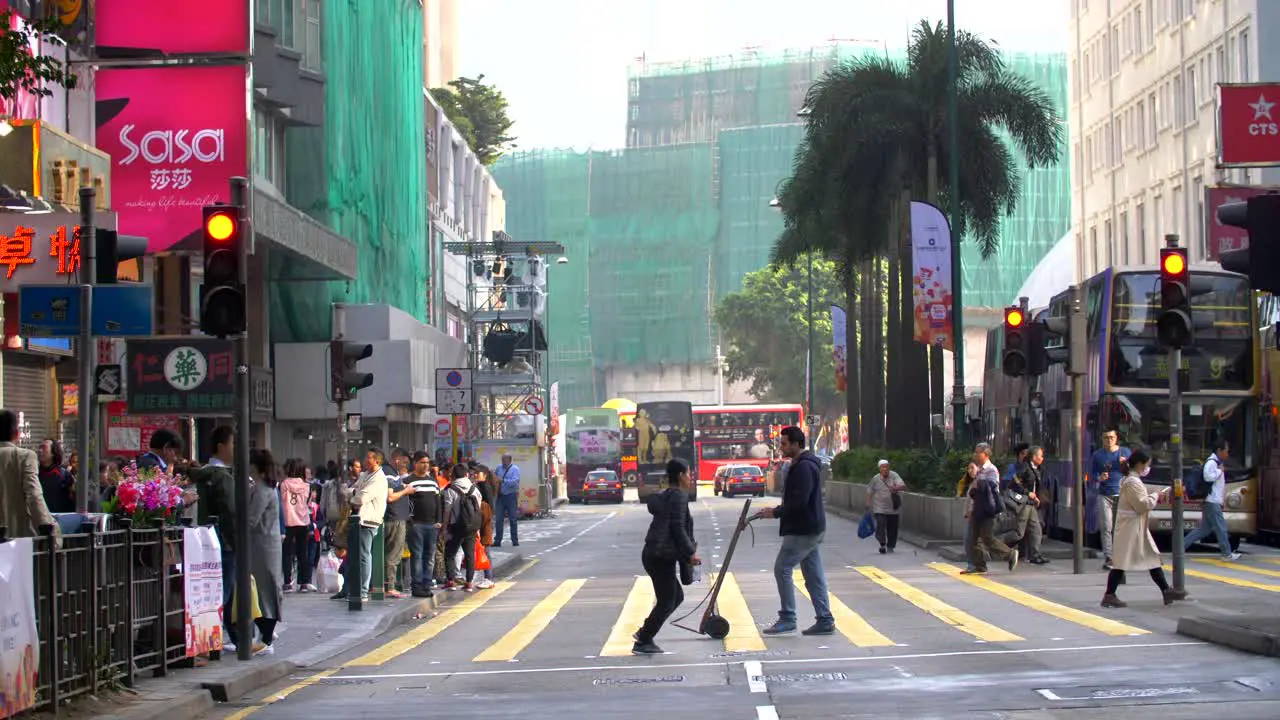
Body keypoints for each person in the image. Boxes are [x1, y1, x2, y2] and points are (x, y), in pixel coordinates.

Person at [753, 426, 834, 636]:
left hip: (803, 529)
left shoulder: (804, 468)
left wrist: (776, 512)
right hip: (810, 527)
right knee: (813, 575)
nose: (781, 448)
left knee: (782, 568)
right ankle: (825, 618)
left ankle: (788, 617)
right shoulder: (800, 465)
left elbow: (799, 502)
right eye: (781, 444)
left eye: (784, 444)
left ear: (797, 445)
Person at [1102, 449, 1187, 607]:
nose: (1148, 468)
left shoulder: (1132, 480)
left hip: (1135, 527)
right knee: (1121, 562)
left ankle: (1166, 590)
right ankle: (1109, 594)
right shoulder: (1132, 482)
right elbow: (1142, 505)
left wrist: (1153, 496)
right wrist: (1156, 496)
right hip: (1130, 528)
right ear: (1140, 464)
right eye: (1147, 464)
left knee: (1151, 558)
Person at [633, 458, 700, 655]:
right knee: (668, 599)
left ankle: (644, 633)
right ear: (680, 476)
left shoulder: (669, 495)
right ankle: (644, 640)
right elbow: (678, 528)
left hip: (658, 555)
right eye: (688, 473)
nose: (690, 477)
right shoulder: (678, 496)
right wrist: (690, 552)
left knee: (675, 596)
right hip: (659, 556)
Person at [231, 448, 285, 656]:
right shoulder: (263, 488)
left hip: (262, 547)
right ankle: (263, 637)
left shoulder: (263, 490)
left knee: (264, 592)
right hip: (263, 546)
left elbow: (252, 519)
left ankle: (266, 638)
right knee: (264, 591)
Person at [0, 409, 58, 544]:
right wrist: (50, 532)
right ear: (16, 434)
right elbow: (34, 496)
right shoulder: (24, 456)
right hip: (17, 540)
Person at [962, 443, 1019, 575]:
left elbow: (993, 487)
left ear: (986, 454)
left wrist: (978, 480)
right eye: (975, 452)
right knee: (973, 538)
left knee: (987, 538)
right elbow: (974, 490)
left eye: (978, 452)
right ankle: (980, 565)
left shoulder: (991, 470)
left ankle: (1009, 554)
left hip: (988, 509)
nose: (975, 455)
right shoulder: (979, 469)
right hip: (978, 508)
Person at [1181, 440, 1241, 561]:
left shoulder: (1215, 462)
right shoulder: (1212, 462)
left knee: (1203, 530)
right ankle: (1226, 553)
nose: (1227, 454)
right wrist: (1220, 471)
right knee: (1221, 527)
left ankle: (1180, 547)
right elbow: (1207, 476)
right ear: (1219, 451)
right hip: (1211, 501)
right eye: (1226, 451)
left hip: (1211, 501)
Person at [1089, 428, 1130, 569]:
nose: (1109, 440)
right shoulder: (1097, 455)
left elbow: (1133, 471)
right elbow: (1091, 474)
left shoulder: (1124, 452)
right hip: (1104, 494)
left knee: (1119, 527)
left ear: (1116, 438)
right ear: (1102, 439)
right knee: (1106, 526)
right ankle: (1109, 557)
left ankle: (1120, 555)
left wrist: (1126, 464)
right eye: (1106, 437)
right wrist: (1099, 478)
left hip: (1121, 493)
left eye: (1112, 437)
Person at [405, 451, 442, 598]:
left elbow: (438, 502)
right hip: (417, 525)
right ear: (415, 463)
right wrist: (411, 522)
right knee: (418, 556)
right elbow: (405, 503)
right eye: (422, 462)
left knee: (430, 557)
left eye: (427, 462)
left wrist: (439, 521)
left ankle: (427, 584)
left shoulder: (433, 481)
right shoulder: (408, 480)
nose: (426, 465)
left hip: (432, 525)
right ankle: (417, 586)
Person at [442, 464, 483, 591]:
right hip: (472, 526)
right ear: (466, 474)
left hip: (456, 527)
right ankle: (469, 582)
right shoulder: (475, 489)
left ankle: (451, 581)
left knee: (450, 554)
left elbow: (447, 511)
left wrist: (444, 528)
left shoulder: (451, 489)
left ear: (453, 475)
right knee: (469, 553)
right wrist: (477, 529)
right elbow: (478, 508)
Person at [279, 459, 314, 593]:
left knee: (287, 553)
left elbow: (281, 501)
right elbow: (308, 504)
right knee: (302, 553)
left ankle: (287, 582)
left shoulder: (283, 484)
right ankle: (303, 582)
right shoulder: (307, 486)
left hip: (287, 522)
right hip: (303, 522)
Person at [867, 459, 905, 554]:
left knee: (892, 528)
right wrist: (868, 502)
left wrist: (895, 488)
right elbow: (870, 490)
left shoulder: (894, 475)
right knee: (881, 525)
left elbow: (903, 485)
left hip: (893, 508)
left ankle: (891, 545)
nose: (885, 469)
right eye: (882, 467)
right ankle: (882, 544)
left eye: (886, 467)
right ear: (879, 469)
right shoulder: (875, 478)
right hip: (879, 508)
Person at [493, 454, 521, 547]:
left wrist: (503, 481)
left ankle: (514, 540)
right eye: (502, 460)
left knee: (513, 519)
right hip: (500, 496)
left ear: (509, 460)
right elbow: (494, 478)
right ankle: (497, 540)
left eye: (504, 460)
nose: (503, 462)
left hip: (511, 495)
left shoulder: (515, 469)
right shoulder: (498, 468)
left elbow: (515, 481)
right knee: (498, 519)